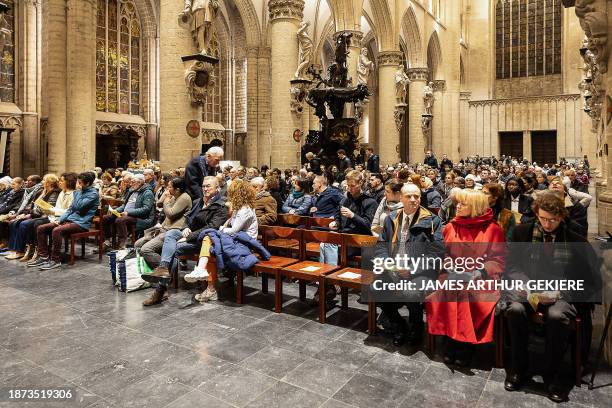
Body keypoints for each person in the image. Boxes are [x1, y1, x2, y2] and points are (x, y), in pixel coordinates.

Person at [503, 191, 598, 403]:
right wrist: (525, 284)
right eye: (543, 218)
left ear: (561, 217)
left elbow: (588, 280)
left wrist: (559, 292)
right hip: (529, 291)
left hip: (562, 293)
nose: (547, 224)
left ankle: (553, 375)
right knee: (515, 310)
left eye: (553, 220)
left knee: (557, 316)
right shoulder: (522, 233)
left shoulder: (575, 238)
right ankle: (518, 368)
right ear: (537, 214)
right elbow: (512, 266)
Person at [426, 189, 506, 367]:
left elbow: (498, 260)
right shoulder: (450, 226)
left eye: (463, 203)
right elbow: (442, 254)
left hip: (482, 278)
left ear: (475, 207)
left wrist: (479, 272)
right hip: (452, 274)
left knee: (466, 293)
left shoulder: (493, 229)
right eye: (458, 203)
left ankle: (465, 344)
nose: (458, 206)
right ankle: (450, 339)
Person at [141, 176, 228, 305]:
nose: (205, 188)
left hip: (205, 241)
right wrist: (186, 227)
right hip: (189, 234)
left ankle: (160, 289)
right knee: (171, 233)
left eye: (208, 186)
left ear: (217, 188)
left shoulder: (221, 206)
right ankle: (163, 268)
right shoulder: (199, 201)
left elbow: (212, 228)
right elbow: (188, 218)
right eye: (203, 186)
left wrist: (188, 236)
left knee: (174, 249)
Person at [376, 183, 444, 346]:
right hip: (394, 268)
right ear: (401, 197)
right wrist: (389, 264)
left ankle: (416, 327)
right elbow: (381, 246)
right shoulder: (391, 218)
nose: (413, 199)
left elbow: (437, 253)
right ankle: (399, 326)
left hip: (421, 272)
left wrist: (412, 268)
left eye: (417, 196)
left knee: (410, 292)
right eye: (409, 196)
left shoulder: (432, 220)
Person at [184, 179, 258, 302]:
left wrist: (221, 228)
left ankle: (208, 283)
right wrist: (224, 225)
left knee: (209, 239)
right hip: (235, 240)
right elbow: (229, 225)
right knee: (210, 244)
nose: (228, 196)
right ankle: (208, 283)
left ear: (238, 193)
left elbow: (233, 230)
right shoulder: (239, 208)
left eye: (231, 193)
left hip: (244, 243)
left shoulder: (245, 210)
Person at [34, 172, 100, 270]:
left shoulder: (93, 194)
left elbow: (79, 207)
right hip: (70, 220)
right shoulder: (79, 192)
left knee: (57, 230)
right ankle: (43, 256)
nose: (78, 184)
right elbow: (70, 210)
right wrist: (60, 220)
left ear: (88, 183)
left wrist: (77, 192)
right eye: (78, 182)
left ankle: (56, 260)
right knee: (41, 228)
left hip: (81, 223)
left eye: (80, 183)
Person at [4, 174, 61, 261]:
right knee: (14, 223)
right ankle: (15, 250)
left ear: (49, 183)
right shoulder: (42, 192)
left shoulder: (55, 193)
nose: (42, 182)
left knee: (24, 224)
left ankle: (29, 250)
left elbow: (48, 208)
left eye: (44, 180)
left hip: (46, 216)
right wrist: (25, 213)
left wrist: (30, 214)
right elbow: (32, 205)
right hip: (36, 214)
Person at [26, 173, 77, 266]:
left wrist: (51, 211)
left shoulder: (73, 194)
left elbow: (68, 211)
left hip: (67, 219)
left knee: (44, 226)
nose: (59, 182)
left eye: (61, 181)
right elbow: (57, 208)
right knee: (40, 227)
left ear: (68, 182)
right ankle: (43, 256)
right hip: (56, 217)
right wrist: (51, 213)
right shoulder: (62, 192)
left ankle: (55, 258)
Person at [102, 174, 155, 250]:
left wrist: (128, 212)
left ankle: (122, 243)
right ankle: (107, 241)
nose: (131, 184)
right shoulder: (132, 191)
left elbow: (146, 209)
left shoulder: (147, 193)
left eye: (133, 182)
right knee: (106, 218)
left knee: (120, 220)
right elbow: (125, 205)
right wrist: (116, 210)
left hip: (140, 217)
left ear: (139, 183)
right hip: (126, 214)